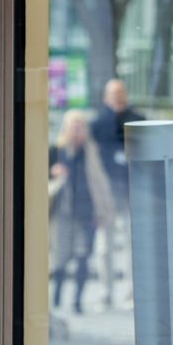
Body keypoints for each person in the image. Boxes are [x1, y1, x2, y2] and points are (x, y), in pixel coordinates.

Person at [49, 110, 114, 314]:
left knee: (83, 256)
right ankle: (56, 299)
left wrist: (103, 211)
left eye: (80, 127)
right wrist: (54, 174)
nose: (77, 131)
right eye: (73, 127)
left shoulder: (92, 152)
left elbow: (101, 183)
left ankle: (77, 301)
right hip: (62, 213)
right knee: (60, 257)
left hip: (87, 213)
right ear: (65, 129)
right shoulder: (56, 151)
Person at [91, 79, 144, 307]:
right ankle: (106, 292)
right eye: (114, 93)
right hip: (107, 192)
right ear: (106, 98)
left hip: (133, 191)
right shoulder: (96, 124)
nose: (118, 97)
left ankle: (133, 291)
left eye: (121, 92)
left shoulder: (139, 121)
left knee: (134, 244)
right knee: (105, 246)